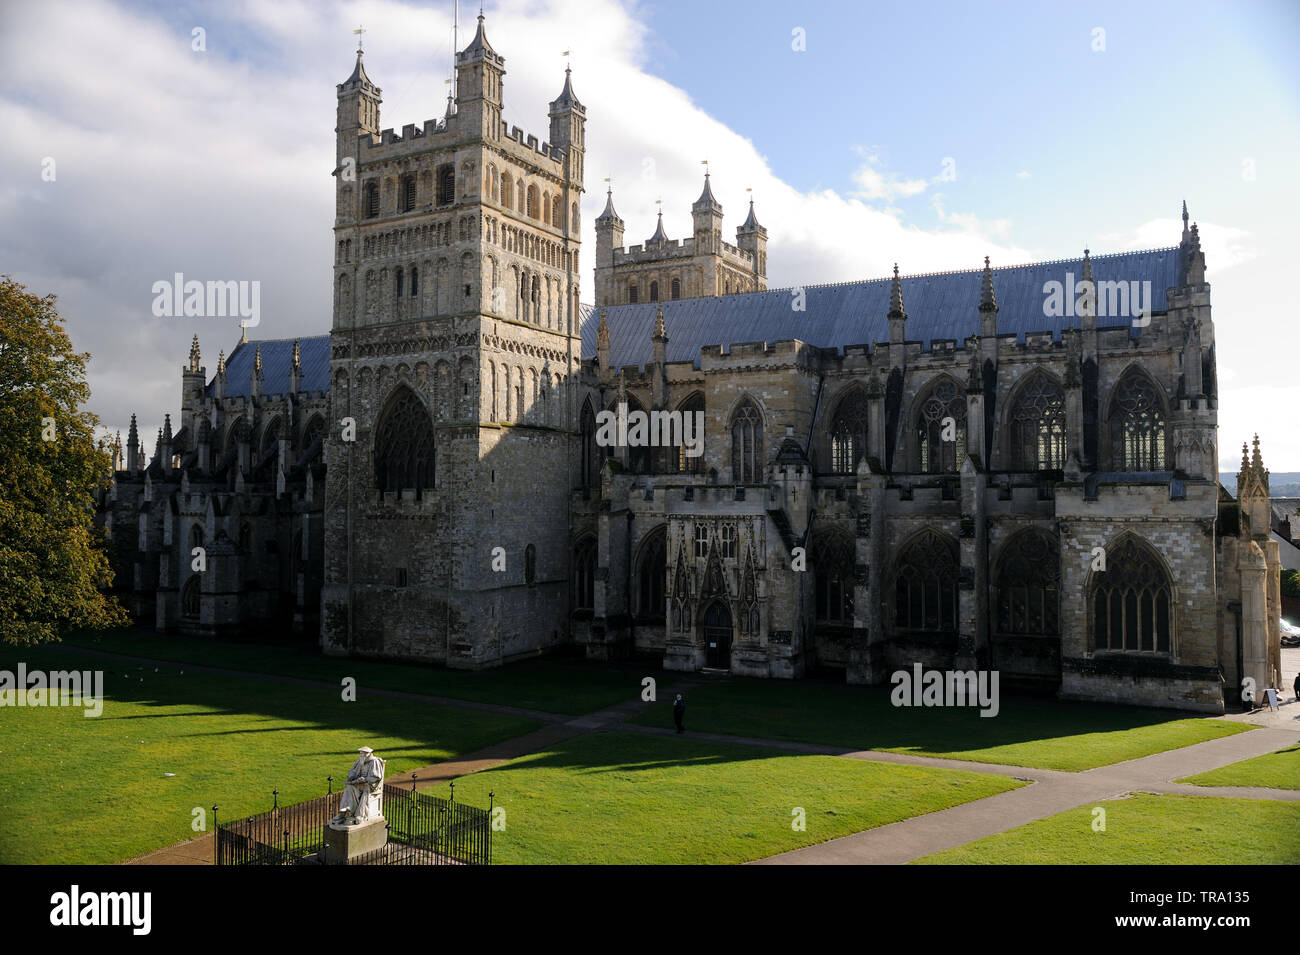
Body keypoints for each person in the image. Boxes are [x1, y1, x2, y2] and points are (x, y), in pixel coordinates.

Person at [332, 746, 385, 824]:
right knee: (349, 787)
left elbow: (376, 777)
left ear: (368, 754)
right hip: (359, 783)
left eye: (363, 754)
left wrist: (365, 780)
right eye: (360, 754)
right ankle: (346, 811)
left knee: (364, 790)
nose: (361, 756)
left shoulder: (374, 761)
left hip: (369, 785)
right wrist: (352, 777)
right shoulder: (360, 761)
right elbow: (353, 771)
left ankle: (358, 815)